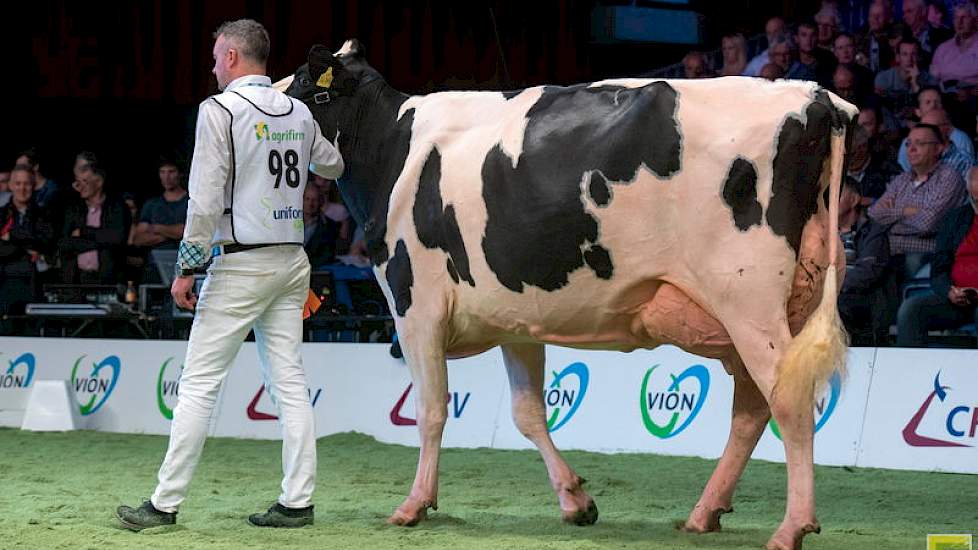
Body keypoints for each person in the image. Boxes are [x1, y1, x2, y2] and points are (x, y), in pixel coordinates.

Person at [116, 18, 343, 531]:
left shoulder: (218, 110)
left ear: (236, 58)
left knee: (199, 383)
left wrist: (187, 268)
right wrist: (302, 123)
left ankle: (164, 503)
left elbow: (204, 199)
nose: (213, 65)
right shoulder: (300, 112)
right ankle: (297, 501)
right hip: (291, 260)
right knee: (289, 381)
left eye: (218, 56)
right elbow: (333, 167)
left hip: (241, 262)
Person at [869, 123, 967, 281]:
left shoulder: (949, 177)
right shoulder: (902, 179)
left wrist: (892, 214)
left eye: (920, 143)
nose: (911, 149)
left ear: (938, 149)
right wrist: (906, 211)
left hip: (923, 255)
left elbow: (927, 224)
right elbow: (873, 215)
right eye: (908, 143)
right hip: (888, 250)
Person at [897, 168, 978, 347]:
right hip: (958, 299)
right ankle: (909, 372)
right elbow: (939, 266)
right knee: (911, 310)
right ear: (970, 193)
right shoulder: (956, 219)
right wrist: (949, 290)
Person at [0, 165, 54, 334]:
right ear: (10, 185)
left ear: (33, 186)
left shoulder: (45, 214)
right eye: (18, 183)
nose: (22, 189)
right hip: (4, 284)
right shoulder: (1, 215)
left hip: (34, 285)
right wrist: (26, 247)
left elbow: (45, 242)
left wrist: (12, 237)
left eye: (27, 184)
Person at [837, 177, 890, 345]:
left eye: (837, 193)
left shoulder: (874, 231)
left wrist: (830, 287)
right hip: (830, 294)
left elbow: (867, 272)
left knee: (836, 307)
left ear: (853, 200)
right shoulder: (821, 232)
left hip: (862, 299)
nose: (828, 199)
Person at [58, 162, 131, 284]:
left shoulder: (117, 208)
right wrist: (100, 241)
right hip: (76, 280)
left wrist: (83, 232)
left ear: (99, 182)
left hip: (108, 280)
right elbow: (64, 243)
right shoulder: (73, 210)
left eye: (84, 181)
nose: (79, 186)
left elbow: (117, 238)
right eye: (78, 182)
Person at [131, 157, 189, 283]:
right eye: (162, 172)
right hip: (154, 267)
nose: (166, 177)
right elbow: (138, 239)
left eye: (171, 172)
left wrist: (155, 228)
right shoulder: (152, 205)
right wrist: (173, 234)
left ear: (179, 174)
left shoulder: (190, 202)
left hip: (185, 265)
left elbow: (186, 232)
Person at [930, 3, 978, 92]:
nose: (959, 22)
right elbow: (933, 81)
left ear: (975, 21)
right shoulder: (942, 49)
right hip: (946, 99)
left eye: (964, 17)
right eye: (956, 17)